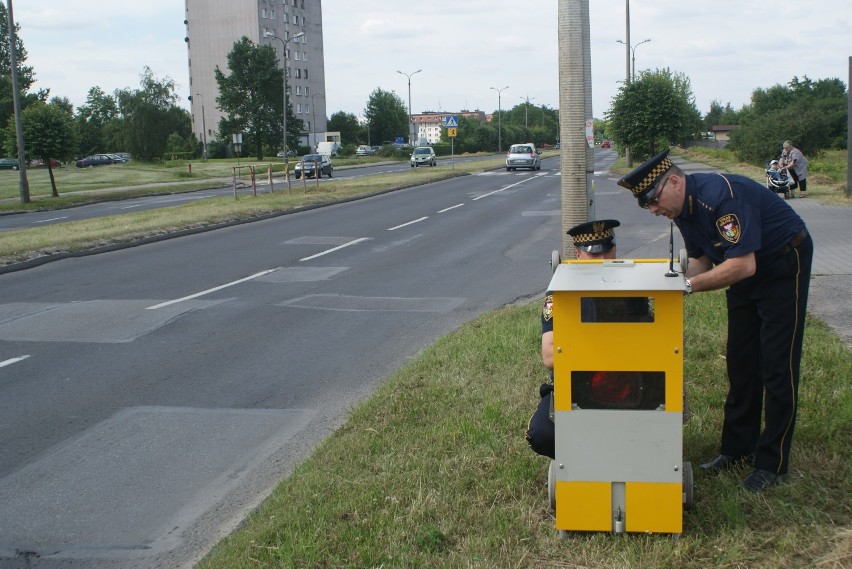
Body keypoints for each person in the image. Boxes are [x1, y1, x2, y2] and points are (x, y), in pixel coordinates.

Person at [617, 148, 813, 492]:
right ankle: (737, 449)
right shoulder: (682, 209)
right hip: (739, 267)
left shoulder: (721, 198)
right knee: (741, 361)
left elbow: (743, 265)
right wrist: (663, 284)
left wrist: (685, 287)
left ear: (674, 181)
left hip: (781, 263)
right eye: (644, 204)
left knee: (777, 367)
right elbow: (702, 261)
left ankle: (772, 463)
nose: (651, 209)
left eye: (652, 199)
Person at [526, 219, 620, 460]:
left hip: (625, 380)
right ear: (578, 255)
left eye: (607, 251)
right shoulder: (560, 294)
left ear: (615, 249)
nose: (603, 260)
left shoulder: (634, 288)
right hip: (575, 383)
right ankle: (582, 459)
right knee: (543, 434)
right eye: (593, 254)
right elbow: (549, 356)